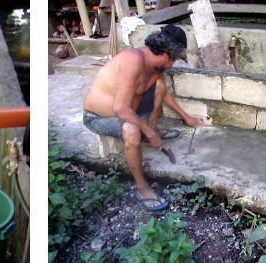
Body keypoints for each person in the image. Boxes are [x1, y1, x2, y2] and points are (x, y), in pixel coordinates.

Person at [82, 24, 203, 211]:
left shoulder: (155, 68)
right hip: (99, 117)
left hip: (128, 110)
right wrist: (146, 131)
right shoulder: (133, 60)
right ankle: (142, 187)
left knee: (160, 86)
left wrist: (187, 117)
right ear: (165, 54)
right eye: (174, 60)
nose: (173, 64)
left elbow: (163, 94)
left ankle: (152, 131)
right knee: (132, 130)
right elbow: (121, 108)